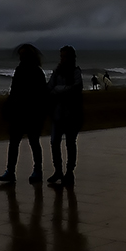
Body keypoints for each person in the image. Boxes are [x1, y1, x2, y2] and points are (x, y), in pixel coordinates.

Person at [0, 44, 48, 184]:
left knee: (33, 142)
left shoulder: (37, 72)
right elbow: (14, 90)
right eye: (21, 54)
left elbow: (42, 94)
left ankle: (37, 170)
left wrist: (40, 112)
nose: (21, 57)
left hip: (32, 113)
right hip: (18, 112)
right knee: (14, 143)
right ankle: (10, 171)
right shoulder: (19, 70)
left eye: (24, 54)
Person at [47, 45, 83, 187]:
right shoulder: (57, 72)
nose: (63, 59)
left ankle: (69, 171)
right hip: (57, 114)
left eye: (65, 56)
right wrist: (60, 90)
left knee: (70, 143)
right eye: (61, 56)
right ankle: (58, 170)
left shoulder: (75, 71)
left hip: (72, 113)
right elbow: (49, 88)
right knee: (54, 142)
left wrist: (58, 90)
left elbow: (76, 88)